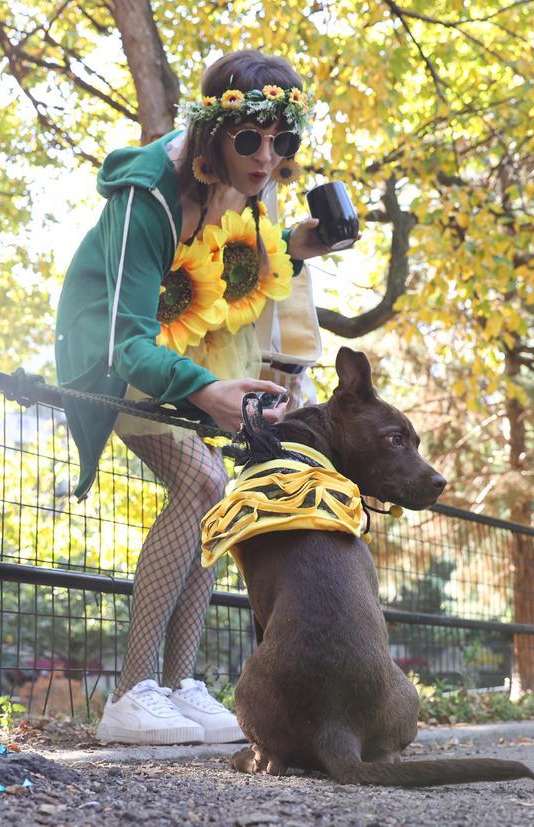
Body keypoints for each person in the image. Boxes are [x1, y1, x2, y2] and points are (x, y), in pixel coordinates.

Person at [54, 51, 338, 744]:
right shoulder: (144, 193)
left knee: (213, 496)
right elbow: (123, 339)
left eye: (284, 142)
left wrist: (301, 247)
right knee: (202, 478)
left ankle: (179, 686)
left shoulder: (247, 187)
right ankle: (130, 694)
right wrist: (209, 390)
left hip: (188, 348)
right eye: (250, 139)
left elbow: (245, 262)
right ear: (213, 130)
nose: (267, 157)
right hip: (115, 354)